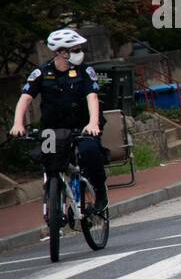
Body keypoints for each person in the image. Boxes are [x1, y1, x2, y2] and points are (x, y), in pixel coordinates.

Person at [8, 28, 109, 215]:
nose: (80, 54)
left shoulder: (85, 71)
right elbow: (25, 98)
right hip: (53, 128)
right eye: (76, 50)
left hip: (83, 125)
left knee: (90, 152)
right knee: (49, 163)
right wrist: (18, 124)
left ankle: (100, 191)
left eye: (80, 49)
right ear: (61, 52)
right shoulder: (41, 73)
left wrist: (93, 123)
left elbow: (92, 97)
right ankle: (53, 203)